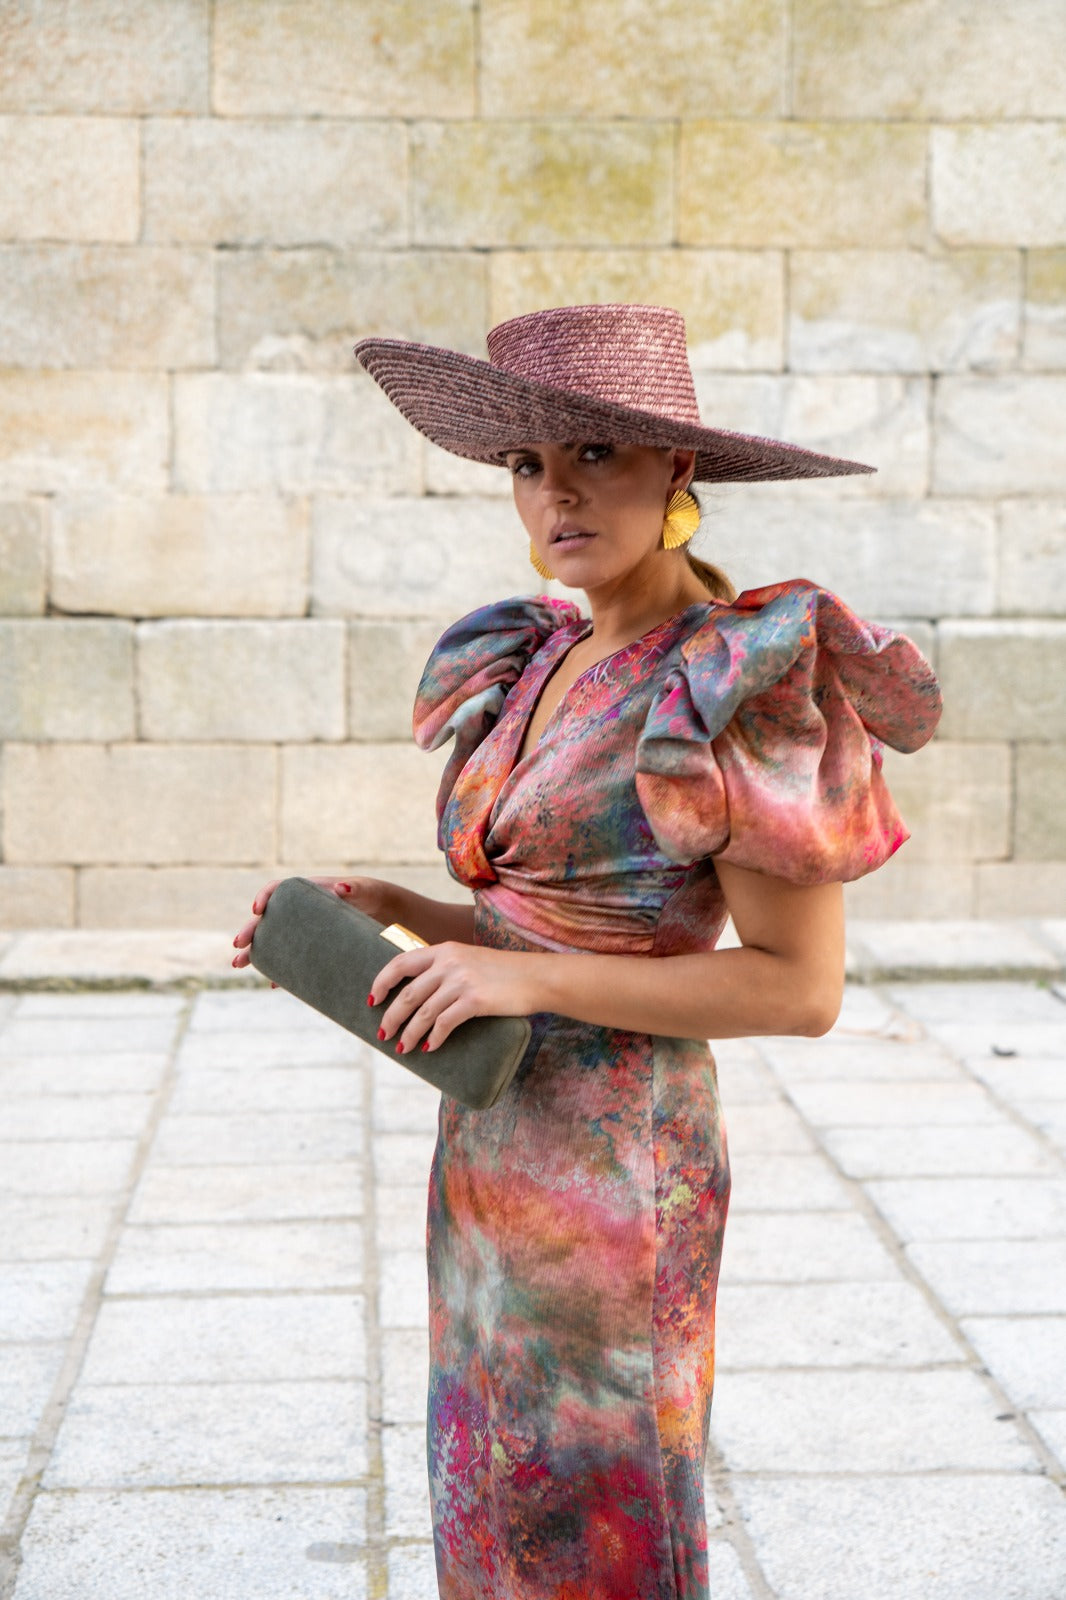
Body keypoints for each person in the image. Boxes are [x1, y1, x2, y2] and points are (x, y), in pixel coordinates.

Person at [233, 304, 942, 1600]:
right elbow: (541, 925)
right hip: (489, 1142)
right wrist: (401, 910)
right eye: (527, 462)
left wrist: (524, 975)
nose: (555, 491)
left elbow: (801, 990)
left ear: (678, 470)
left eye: (595, 453)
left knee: (602, 1511)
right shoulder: (542, 654)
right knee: (491, 1488)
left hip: (621, 1174)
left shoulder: (731, 681)